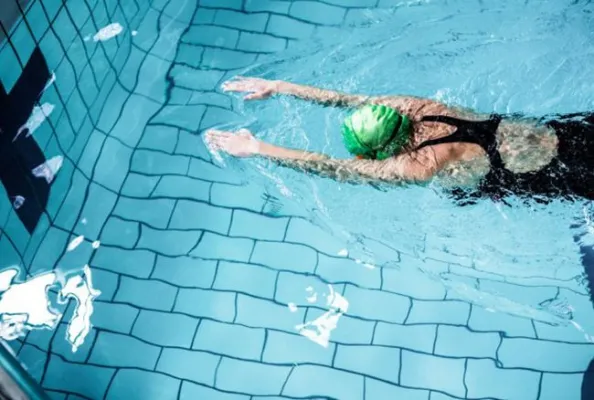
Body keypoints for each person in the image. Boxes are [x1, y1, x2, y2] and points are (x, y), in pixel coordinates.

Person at [205, 76, 594, 204]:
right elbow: (345, 99)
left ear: (384, 151)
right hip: (560, 131)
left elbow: (331, 167)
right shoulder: (414, 106)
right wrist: (280, 86)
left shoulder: (417, 165)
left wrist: (257, 148)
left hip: (553, 174)